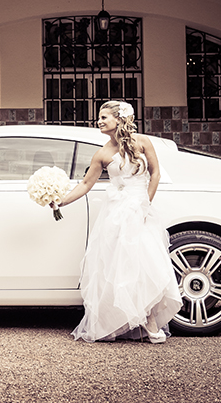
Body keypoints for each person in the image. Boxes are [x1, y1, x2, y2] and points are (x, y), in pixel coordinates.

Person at [57, 100, 181, 343]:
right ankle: (122, 319)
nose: (99, 121)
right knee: (120, 267)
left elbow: (155, 173)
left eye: (104, 117)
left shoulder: (143, 142)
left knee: (146, 263)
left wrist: (145, 204)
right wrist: (60, 201)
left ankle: (149, 318)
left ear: (119, 119)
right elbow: (84, 184)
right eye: (99, 117)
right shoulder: (102, 153)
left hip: (141, 207)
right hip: (116, 213)